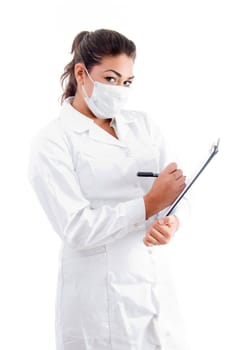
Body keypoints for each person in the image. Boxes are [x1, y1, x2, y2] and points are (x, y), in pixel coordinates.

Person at [28, 29, 189, 350]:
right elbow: (75, 228)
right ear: (81, 73)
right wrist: (147, 204)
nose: (119, 90)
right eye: (111, 79)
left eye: (127, 82)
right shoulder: (53, 141)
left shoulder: (143, 125)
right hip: (98, 306)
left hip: (154, 291)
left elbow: (175, 190)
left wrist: (171, 221)